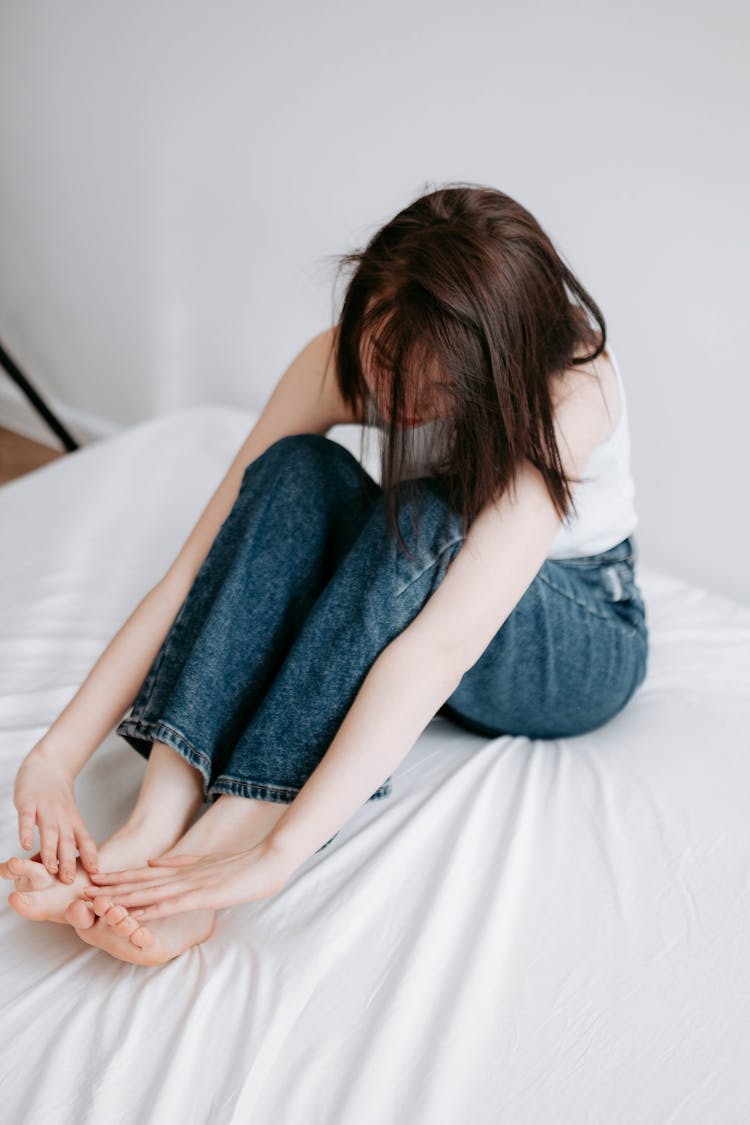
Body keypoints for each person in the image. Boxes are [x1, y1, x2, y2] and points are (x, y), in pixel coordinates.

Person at [1, 182, 648, 966]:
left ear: (494, 370)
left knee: (425, 513)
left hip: (576, 634)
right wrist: (55, 756)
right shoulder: (342, 354)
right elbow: (193, 572)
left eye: (437, 390)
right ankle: (148, 833)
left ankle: (211, 856)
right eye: (385, 360)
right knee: (295, 470)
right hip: (435, 593)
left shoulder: (569, 392)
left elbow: (438, 648)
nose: (402, 398)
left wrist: (277, 853)